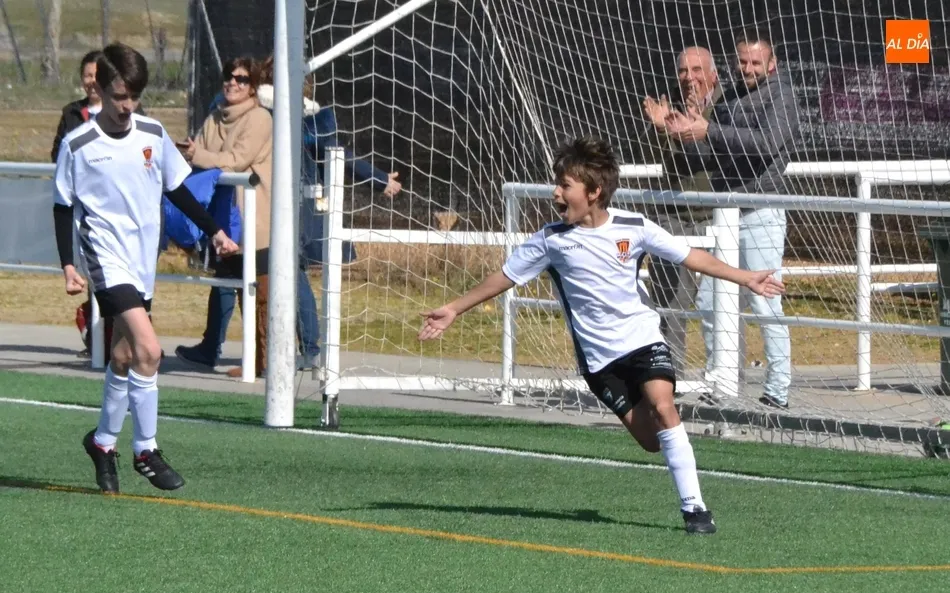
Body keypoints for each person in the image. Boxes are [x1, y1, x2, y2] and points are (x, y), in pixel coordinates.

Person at [418, 136, 785, 534]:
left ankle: (695, 509)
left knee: (664, 407)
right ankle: (676, 452)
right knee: (650, 440)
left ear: (594, 192)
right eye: (556, 184)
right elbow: (504, 277)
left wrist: (745, 277)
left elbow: (689, 255)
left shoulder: (634, 226)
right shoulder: (550, 239)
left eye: (565, 186)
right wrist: (454, 308)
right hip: (599, 360)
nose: (556, 193)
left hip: (643, 339)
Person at [53, 43, 239, 493]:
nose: (126, 106)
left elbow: (177, 189)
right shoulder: (78, 144)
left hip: (141, 261)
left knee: (122, 355)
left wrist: (213, 230)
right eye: (119, 96)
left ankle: (101, 443)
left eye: (133, 96)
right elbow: (62, 206)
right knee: (150, 352)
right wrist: (66, 264)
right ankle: (146, 450)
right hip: (105, 259)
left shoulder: (152, 134)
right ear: (99, 87)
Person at [664, 30, 800, 408]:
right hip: (724, 214)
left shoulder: (782, 95)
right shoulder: (732, 98)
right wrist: (678, 132)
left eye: (756, 62)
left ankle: (778, 389)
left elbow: (766, 143)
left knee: (765, 302)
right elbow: (710, 154)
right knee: (711, 299)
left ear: (771, 64)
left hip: (761, 212)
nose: (748, 69)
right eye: (742, 62)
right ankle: (720, 382)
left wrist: (710, 130)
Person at [174, 56, 274, 379]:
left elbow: (236, 161)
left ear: (253, 86)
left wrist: (199, 156)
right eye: (228, 77)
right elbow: (198, 154)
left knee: (258, 291)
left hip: (252, 219)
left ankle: (266, 360)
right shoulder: (215, 116)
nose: (232, 83)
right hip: (220, 218)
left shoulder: (260, 118)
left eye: (241, 79)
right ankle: (209, 348)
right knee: (222, 283)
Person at [639, 46, 724, 376]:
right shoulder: (668, 106)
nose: (689, 78)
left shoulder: (729, 105)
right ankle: (671, 378)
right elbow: (655, 155)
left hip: (720, 216)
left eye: (697, 70)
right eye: (684, 72)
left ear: (713, 75)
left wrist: (693, 131)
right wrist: (661, 129)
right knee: (670, 302)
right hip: (675, 214)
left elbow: (723, 153)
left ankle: (723, 380)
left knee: (720, 306)